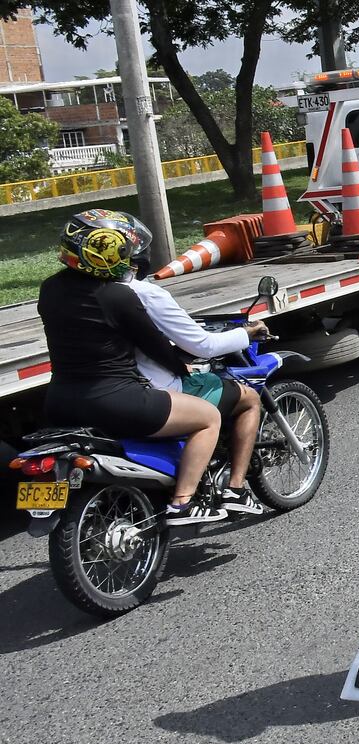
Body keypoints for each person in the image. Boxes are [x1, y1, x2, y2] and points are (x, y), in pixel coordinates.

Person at [38, 210, 225, 525]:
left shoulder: (50, 289)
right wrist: (182, 368)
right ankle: (184, 502)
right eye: (123, 249)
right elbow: (155, 346)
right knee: (208, 418)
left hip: (59, 403)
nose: (129, 255)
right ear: (105, 251)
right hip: (115, 400)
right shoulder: (117, 296)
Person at [124, 216, 269, 516]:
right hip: (156, 391)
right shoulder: (147, 294)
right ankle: (236, 489)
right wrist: (247, 332)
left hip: (113, 388)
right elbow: (203, 346)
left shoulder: (84, 295)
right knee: (249, 399)